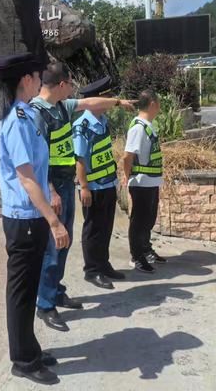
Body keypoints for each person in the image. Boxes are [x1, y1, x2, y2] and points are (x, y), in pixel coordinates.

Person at [31, 63, 134, 332]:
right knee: (52, 247)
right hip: (52, 187)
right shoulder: (37, 113)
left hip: (66, 186)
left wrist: (118, 102)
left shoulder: (61, 107)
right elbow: (36, 160)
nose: (74, 88)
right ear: (62, 84)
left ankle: (56, 291)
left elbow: (89, 101)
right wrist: (51, 191)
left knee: (65, 244)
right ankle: (45, 305)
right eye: (71, 83)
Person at [0, 53, 70, 386]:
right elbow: (26, 179)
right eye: (38, 75)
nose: (41, 79)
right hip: (24, 218)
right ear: (26, 79)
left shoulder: (25, 115)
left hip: (31, 217)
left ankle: (31, 349)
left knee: (25, 290)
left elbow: (38, 173)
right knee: (22, 293)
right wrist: (53, 220)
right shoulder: (15, 120)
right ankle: (23, 360)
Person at [73, 77, 126, 289]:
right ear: (96, 100)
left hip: (106, 184)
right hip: (92, 188)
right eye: (107, 97)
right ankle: (92, 270)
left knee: (105, 228)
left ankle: (103, 265)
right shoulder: (83, 125)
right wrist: (84, 187)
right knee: (93, 230)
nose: (110, 101)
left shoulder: (102, 121)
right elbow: (80, 159)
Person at [123, 89, 167, 273]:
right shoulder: (138, 127)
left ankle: (146, 249)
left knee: (148, 219)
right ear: (152, 104)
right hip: (141, 182)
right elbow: (127, 157)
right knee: (139, 221)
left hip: (151, 182)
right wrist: (127, 177)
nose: (159, 107)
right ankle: (137, 256)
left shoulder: (148, 125)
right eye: (158, 103)